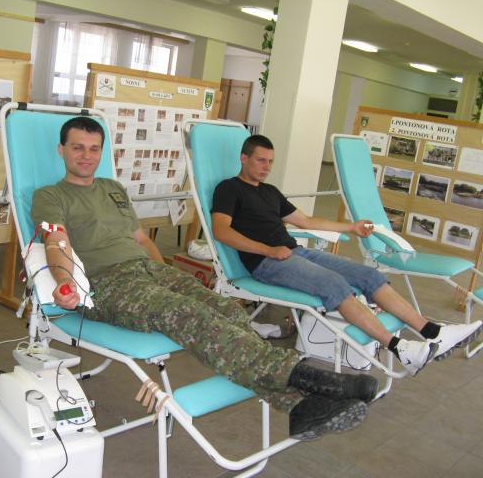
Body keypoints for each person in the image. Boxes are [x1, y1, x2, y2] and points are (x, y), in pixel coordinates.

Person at [32, 117, 373, 442]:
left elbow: (142, 239)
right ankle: (308, 378)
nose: (87, 156)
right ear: (62, 150)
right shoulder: (50, 196)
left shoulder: (113, 188)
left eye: (94, 148)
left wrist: (162, 272)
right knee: (188, 314)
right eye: (78, 147)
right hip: (107, 283)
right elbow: (56, 242)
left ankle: (299, 408)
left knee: (227, 310)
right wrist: (65, 283)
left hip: (150, 272)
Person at [211, 134, 482, 376]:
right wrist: (268, 250)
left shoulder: (270, 192)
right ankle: (401, 349)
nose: (267, 167)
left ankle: (433, 331)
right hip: (266, 262)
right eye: (261, 160)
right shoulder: (228, 189)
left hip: (296, 252)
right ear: (244, 158)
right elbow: (221, 231)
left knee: (369, 275)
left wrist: (351, 227)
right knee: (334, 284)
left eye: (270, 161)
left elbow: (306, 221)